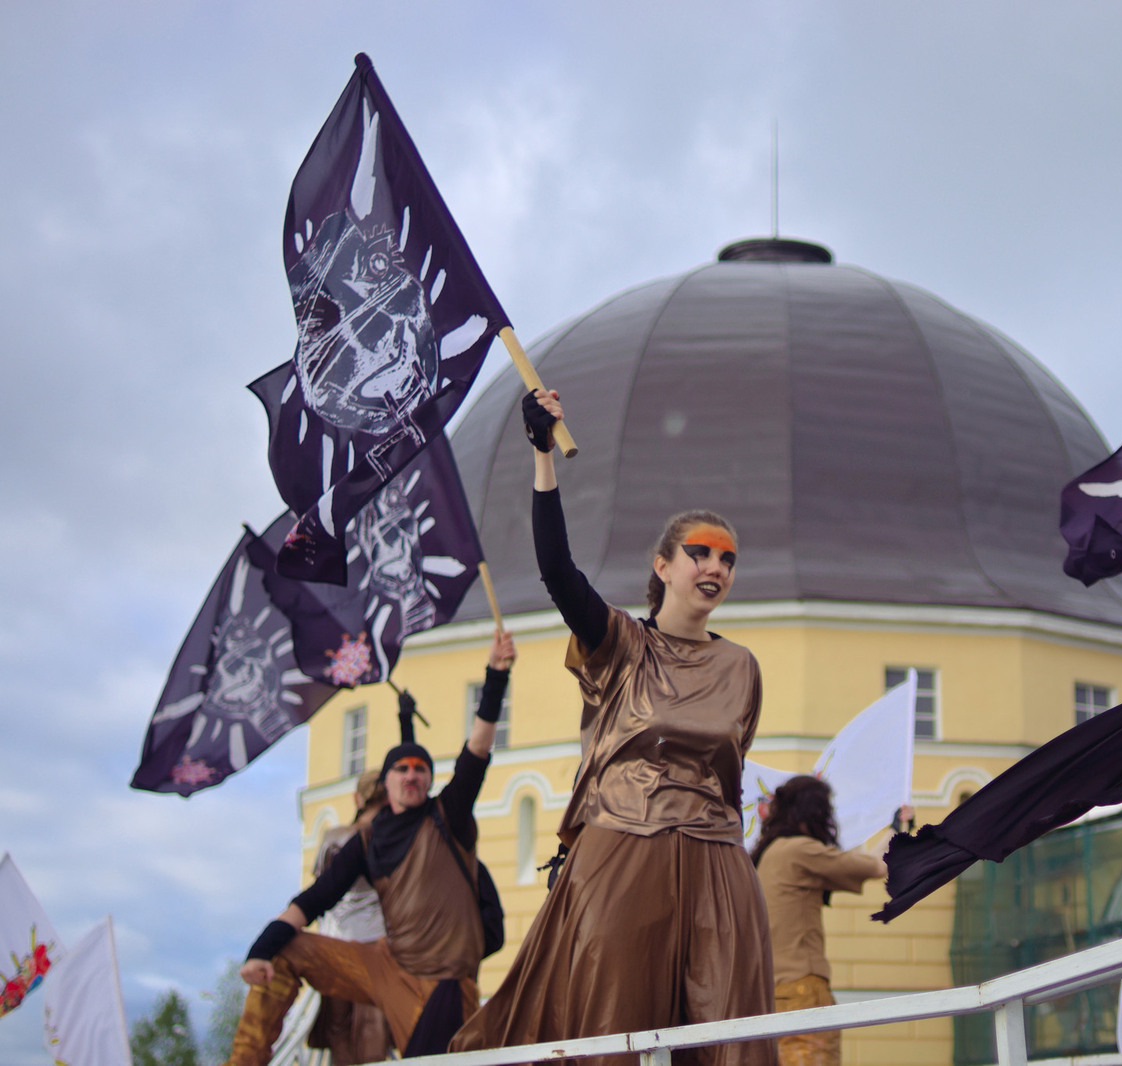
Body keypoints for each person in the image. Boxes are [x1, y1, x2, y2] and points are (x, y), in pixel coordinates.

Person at [449, 387, 775, 1065]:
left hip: (717, 858)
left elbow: (731, 764)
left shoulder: (742, 667)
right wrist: (544, 458)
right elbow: (558, 574)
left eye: (728, 559)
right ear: (664, 566)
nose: (715, 567)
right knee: (611, 1025)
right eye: (701, 553)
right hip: (625, 845)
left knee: (728, 1033)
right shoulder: (623, 644)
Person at [225, 631, 515, 1066]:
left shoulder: (448, 816)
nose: (412, 775)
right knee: (285, 948)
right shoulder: (366, 839)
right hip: (384, 965)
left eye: (421, 769)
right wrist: (259, 950)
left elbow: (476, 750)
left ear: (428, 779)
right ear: (389, 780)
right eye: (402, 768)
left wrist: (495, 676)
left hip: (444, 982)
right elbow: (316, 899)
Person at [753, 777, 906, 1066]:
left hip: (771, 992)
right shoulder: (799, 850)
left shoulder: (769, 855)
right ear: (814, 812)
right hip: (802, 988)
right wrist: (897, 831)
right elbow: (875, 867)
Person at [305, 769, 392, 1066]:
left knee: (338, 1029)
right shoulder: (391, 839)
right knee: (373, 1026)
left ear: (358, 798)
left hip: (338, 944)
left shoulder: (334, 837)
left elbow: (321, 890)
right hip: (380, 945)